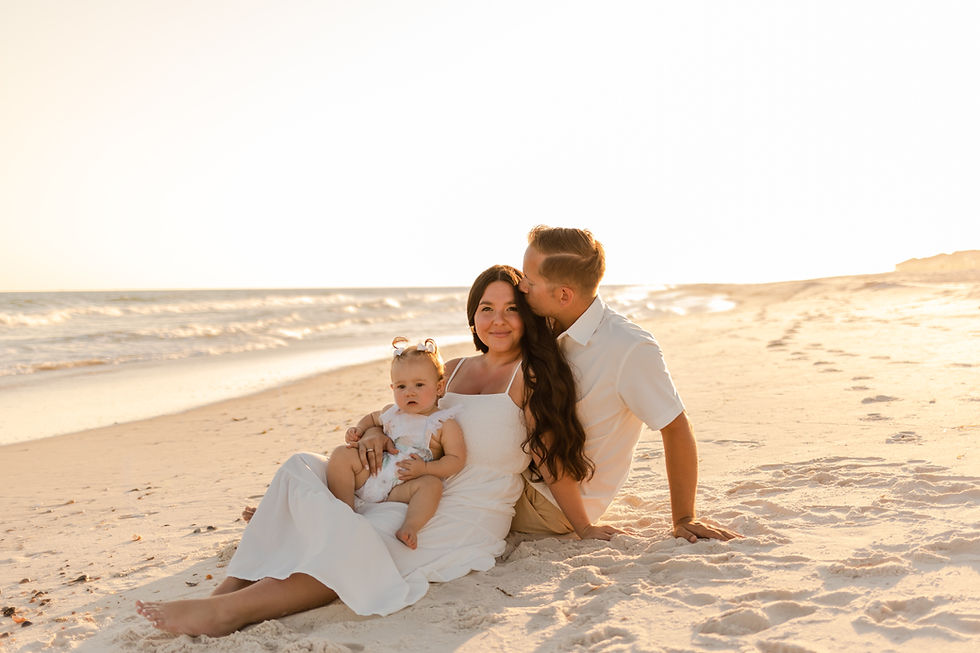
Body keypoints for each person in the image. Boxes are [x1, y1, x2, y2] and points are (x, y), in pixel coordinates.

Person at [135, 264, 588, 637]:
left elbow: (551, 461)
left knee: (361, 544)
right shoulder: (451, 368)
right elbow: (405, 417)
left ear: (527, 317)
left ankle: (230, 612)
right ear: (473, 317)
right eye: (487, 308)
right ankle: (231, 586)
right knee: (300, 466)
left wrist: (583, 526)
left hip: (455, 511)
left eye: (511, 309)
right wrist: (373, 437)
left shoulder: (531, 379)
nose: (498, 320)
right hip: (393, 482)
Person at [512, 225, 742, 544]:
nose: (521, 286)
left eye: (530, 280)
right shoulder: (549, 327)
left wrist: (684, 517)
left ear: (564, 295)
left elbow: (675, 426)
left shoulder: (628, 348)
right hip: (530, 479)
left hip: (547, 503)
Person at [328, 336, 465, 550]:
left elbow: (456, 459)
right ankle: (344, 509)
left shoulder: (443, 423)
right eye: (401, 386)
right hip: (372, 472)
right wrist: (358, 431)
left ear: (439, 387)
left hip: (402, 487)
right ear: (392, 387)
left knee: (431, 485)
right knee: (340, 455)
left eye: (419, 385)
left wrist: (425, 468)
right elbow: (371, 419)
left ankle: (410, 526)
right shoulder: (391, 413)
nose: (409, 392)